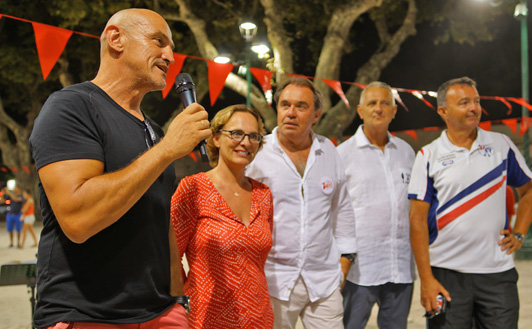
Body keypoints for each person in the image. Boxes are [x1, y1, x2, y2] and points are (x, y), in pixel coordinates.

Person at [29, 8, 211, 329]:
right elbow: (78, 219)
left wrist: (177, 301)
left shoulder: (154, 130)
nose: (170, 56)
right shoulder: (71, 106)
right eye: (158, 41)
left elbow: (161, 220)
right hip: (87, 315)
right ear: (116, 39)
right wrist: (168, 149)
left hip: (162, 313)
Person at [408, 77, 532, 329]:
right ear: (443, 111)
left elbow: (529, 191)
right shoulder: (428, 155)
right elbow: (416, 221)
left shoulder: (501, 145)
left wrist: (520, 233)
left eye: (476, 101)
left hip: (497, 273)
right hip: (446, 274)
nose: (474, 108)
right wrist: (426, 279)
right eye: (464, 102)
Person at [246, 77, 357, 329]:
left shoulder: (328, 150)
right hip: (273, 280)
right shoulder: (257, 153)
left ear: (316, 114)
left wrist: (346, 260)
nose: (291, 113)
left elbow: (342, 208)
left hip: (325, 280)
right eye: (285, 105)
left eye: (301, 106)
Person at [171, 105, 274, 328]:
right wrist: (178, 305)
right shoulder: (193, 188)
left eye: (253, 136)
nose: (245, 142)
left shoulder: (263, 195)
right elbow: (170, 256)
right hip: (205, 317)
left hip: (258, 317)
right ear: (216, 138)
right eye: (236, 133)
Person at [337, 81, 415, 329]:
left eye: (385, 103)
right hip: (359, 269)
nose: (378, 109)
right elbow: (333, 211)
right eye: (372, 103)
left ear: (394, 111)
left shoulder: (406, 152)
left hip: (400, 265)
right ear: (360, 110)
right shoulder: (342, 154)